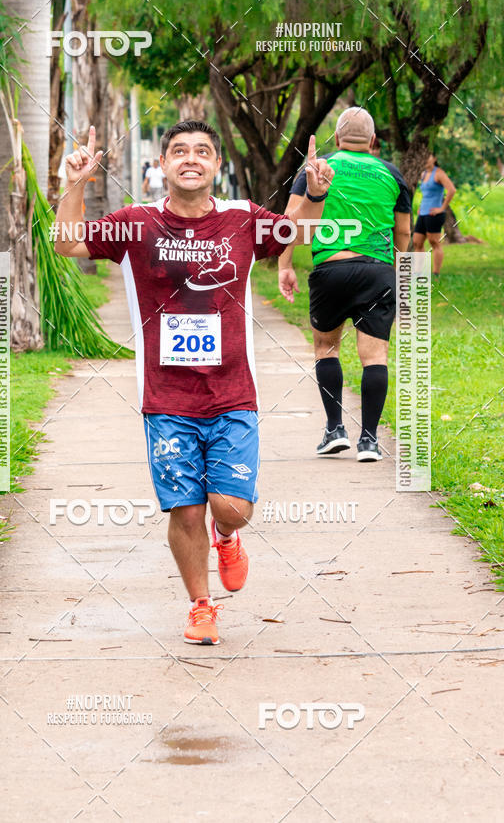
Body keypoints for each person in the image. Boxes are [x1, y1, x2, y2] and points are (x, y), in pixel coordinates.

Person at [54, 120, 334, 645]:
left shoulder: (241, 218)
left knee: (230, 506)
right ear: (162, 165)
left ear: (215, 165)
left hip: (232, 393)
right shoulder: (135, 224)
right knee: (184, 508)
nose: (190, 158)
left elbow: (296, 229)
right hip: (165, 399)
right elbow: (67, 245)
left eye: (202, 151)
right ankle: (201, 605)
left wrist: (314, 193)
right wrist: (74, 184)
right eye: (179, 151)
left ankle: (226, 535)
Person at [279, 107, 411, 462]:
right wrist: (397, 273)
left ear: (336, 139)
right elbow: (403, 233)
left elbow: (289, 224)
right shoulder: (392, 174)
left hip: (331, 272)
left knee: (327, 349)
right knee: (375, 357)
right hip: (377, 272)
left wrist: (285, 264)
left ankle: (335, 429)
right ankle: (369, 440)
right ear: (371, 142)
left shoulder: (317, 169)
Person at [412, 153, 456, 278]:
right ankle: (418, 272)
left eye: (428, 157)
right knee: (416, 242)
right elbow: (426, 194)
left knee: (434, 242)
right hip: (423, 213)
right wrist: (421, 207)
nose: (425, 160)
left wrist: (442, 208)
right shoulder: (423, 174)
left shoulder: (439, 173)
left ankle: (436, 273)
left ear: (434, 159)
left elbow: (452, 190)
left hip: (435, 214)